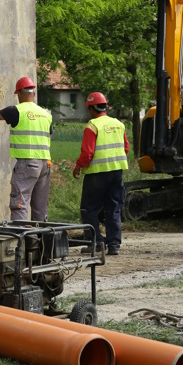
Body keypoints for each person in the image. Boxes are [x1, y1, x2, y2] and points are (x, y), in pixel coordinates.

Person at [0, 76, 53, 221]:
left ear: (18, 94)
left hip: (27, 164)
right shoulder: (46, 114)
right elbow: (49, 137)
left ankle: (20, 241)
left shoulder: (16, 111)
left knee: (20, 204)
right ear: (34, 93)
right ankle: (39, 243)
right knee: (40, 207)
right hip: (45, 165)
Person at [71, 92, 129, 255]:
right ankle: (114, 245)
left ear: (91, 108)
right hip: (116, 172)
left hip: (97, 174)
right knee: (113, 207)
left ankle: (96, 242)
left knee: (88, 208)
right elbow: (126, 148)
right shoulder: (118, 124)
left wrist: (78, 166)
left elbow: (88, 153)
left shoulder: (93, 125)